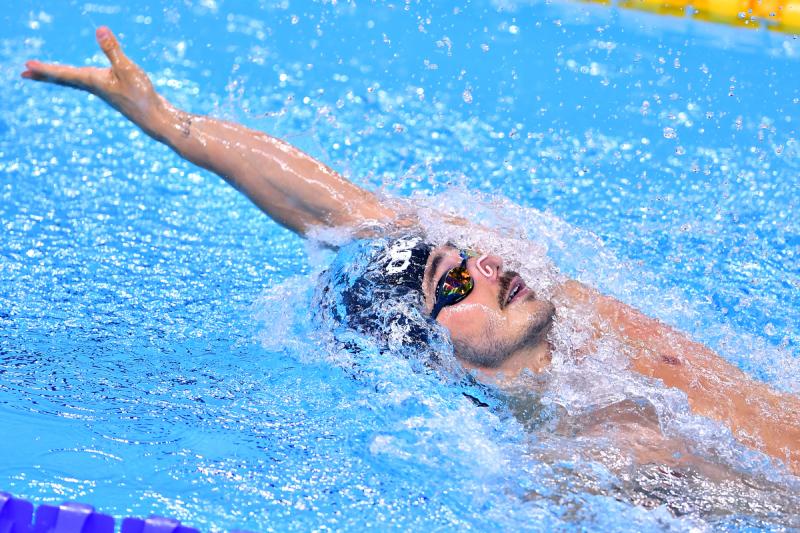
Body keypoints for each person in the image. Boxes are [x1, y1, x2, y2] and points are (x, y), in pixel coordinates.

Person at [22, 27, 800, 478]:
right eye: (456, 279)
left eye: (470, 256)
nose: (488, 265)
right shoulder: (588, 459)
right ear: (436, 358)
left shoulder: (581, 331)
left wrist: (173, 126)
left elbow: (332, 207)